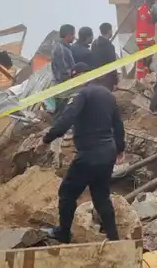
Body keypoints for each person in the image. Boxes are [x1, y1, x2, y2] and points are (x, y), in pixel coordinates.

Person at [43, 77, 125, 243]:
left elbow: (67, 118)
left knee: (67, 193)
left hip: (90, 154)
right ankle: (113, 236)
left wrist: (47, 139)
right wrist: (120, 148)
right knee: (101, 195)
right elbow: (118, 124)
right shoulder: (108, 95)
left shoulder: (82, 94)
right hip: (108, 152)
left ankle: (63, 232)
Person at [51, 24, 82, 116]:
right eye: (72, 34)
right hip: (64, 90)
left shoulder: (64, 48)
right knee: (62, 114)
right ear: (67, 35)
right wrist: (74, 76)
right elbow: (64, 71)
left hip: (64, 89)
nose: (74, 37)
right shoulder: (61, 49)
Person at [135, 0, 157, 80]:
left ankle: (145, 81)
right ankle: (140, 82)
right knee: (142, 66)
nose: (155, 1)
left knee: (147, 65)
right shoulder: (143, 10)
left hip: (149, 43)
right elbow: (149, 21)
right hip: (143, 43)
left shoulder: (150, 9)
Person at [91, 22, 120, 91]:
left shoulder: (94, 44)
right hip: (108, 79)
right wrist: (115, 82)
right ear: (109, 31)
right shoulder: (109, 46)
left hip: (97, 77)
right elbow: (113, 65)